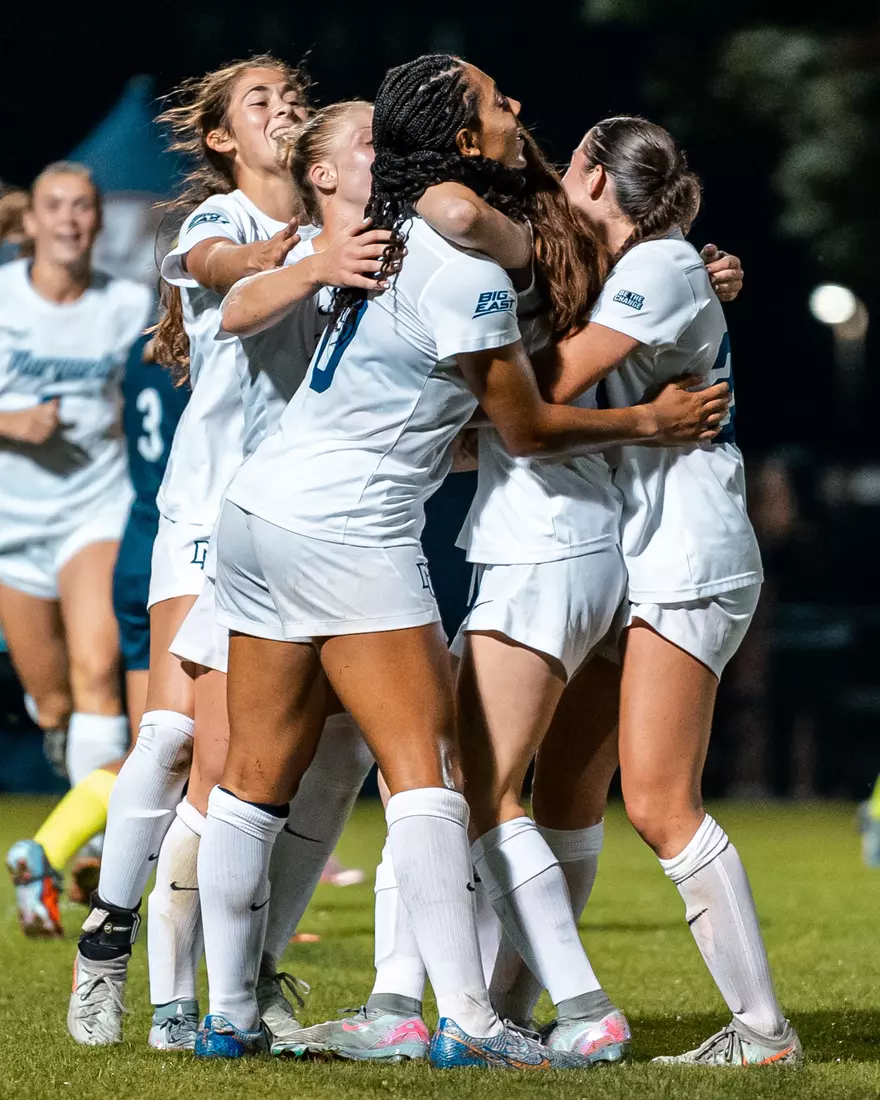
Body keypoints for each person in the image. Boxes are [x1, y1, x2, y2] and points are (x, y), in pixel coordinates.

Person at [195, 53, 725, 1066]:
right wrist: (650, 422)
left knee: (254, 776)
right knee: (431, 774)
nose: (512, 107)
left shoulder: (385, 230)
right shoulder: (464, 264)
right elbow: (520, 428)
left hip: (260, 506)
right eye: (492, 101)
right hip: (346, 523)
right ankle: (472, 1023)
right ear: (453, 136)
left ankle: (226, 1011)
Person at [511, 116, 801, 1067]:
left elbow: (556, 377)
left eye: (573, 160)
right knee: (561, 790)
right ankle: (513, 1015)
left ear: (595, 175)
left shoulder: (664, 266)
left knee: (659, 801)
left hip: (686, 558)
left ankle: (761, 1031)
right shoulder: (654, 266)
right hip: (639, 558)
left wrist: (463, 358)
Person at [0, 163, 151, 935]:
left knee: (99, 672)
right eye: (55, 207)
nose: (70, 220)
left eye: (84, 207)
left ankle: (90, 851)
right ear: (30, 222)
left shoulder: (127, 306)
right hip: (11, 527)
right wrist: (11, 422)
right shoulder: (3, 300)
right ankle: (78, 788)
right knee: (53, 700)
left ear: (98, 222)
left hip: (97, 508)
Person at [6, 331, 188, 934]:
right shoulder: (221, 344)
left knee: (155, 749)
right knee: (201, 752)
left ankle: (50, 855)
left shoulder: (143, 351)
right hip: (192, 553)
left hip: (141, 545)